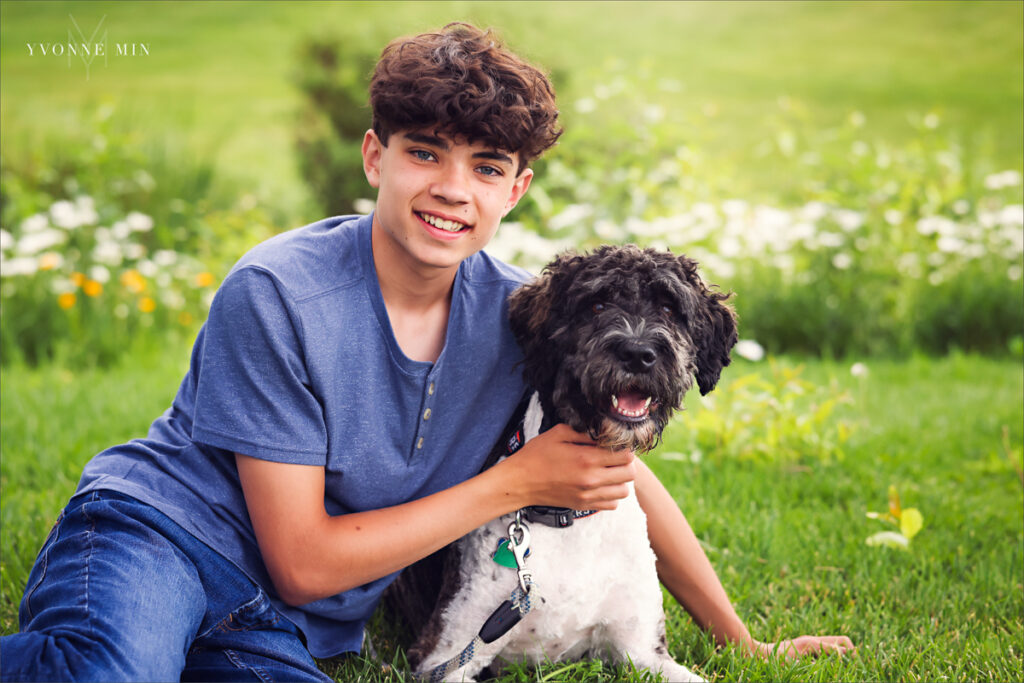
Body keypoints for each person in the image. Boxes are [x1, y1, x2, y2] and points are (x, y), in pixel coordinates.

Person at [1, 22, 854, 682]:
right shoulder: (278, 293)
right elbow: (301, 559)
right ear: (376, 156)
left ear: (515, 189)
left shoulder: (528, 312)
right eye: (423, 153)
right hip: (167, 538)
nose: (453, 188)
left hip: (284, 622)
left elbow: (612, 470)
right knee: (109, 670)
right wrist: (516, 482)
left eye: (487, 167)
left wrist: (746, 641)